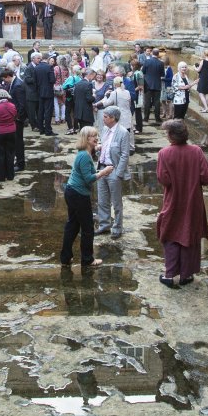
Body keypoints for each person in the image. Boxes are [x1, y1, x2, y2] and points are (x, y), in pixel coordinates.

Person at [154, 119, 208, 288]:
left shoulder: (164, 153)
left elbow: (164, 179)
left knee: (170, 234)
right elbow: (206, 178)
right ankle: (186, 274)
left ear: (172, 135)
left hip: (173, 200)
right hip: (193, 201)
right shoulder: (196, 151)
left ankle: (169, 274)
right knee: (189, 235)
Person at [60, 126, 112, 268]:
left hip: (73, 192)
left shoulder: (87, 152)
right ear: (86, 139)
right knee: (87, 228)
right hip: (78, 195)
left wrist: (99, 147)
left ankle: (65, 257)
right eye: (93, 136)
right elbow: (88, 178)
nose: (96, 138)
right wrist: (104, 172)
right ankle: (87, 259)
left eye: (96, 135)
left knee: (73, 225)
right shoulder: (83, 156)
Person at [94, 107, 134, 239]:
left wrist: (118, 173)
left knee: (116, 202)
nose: (103, 118)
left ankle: (117, 227)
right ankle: (104, 225)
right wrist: (100, 147)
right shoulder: (105, 129)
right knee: (102, 200)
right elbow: (105, 145)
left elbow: (124, 155)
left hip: (113, 170)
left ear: (113, 118)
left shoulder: (123, 133)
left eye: (105, 116)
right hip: (102, 168)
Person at [32, 53, 56, 136]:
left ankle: (41, 129)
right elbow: (52, 80)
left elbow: (34, 81)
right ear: (48, 59)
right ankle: (48, 130)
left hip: (39, 92)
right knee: (48, 111)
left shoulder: (36, 67)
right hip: (48, 92)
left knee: (40, 111)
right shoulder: (49, 67)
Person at [141, 49, 165, 127]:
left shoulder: (147, 61)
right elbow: (162, 74)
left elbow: (143, 71)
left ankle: (146, 118)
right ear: (158, 54)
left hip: (147, 84)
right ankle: (157, 118)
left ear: (152, 53)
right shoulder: (161, 63)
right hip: (157, 84)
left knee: (147, 102)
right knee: (157, 102)